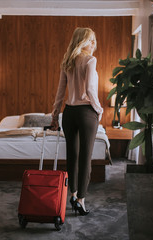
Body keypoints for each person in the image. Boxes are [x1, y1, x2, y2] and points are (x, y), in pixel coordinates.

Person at [51, 27, 103, 216]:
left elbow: (60, 92)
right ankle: (81, 199)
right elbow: (90, 89)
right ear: (82, 41)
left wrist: (55, 114)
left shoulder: (67, 61)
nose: (93, 44)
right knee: (85, 157)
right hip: (86, 112)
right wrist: (99, 108)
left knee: (72, 156)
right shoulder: (90, 60)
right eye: (91, 40)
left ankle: (72, 194)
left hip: (69, 112)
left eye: (94, 41)